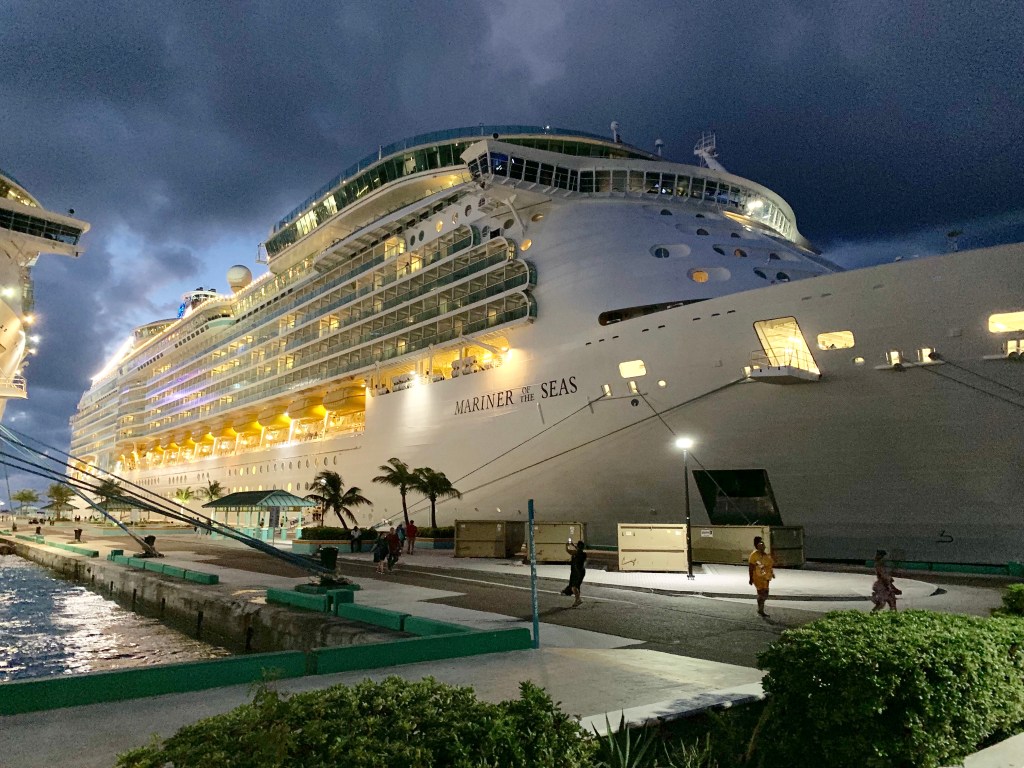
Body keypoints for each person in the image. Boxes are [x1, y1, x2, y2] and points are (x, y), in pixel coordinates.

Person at [748, 536, 775, 618]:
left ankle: (760, 609)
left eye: (763, 545)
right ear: (757, 546)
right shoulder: (754, 555)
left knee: (765, 594)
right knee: (761, 593)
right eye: (761, 545)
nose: (764, 546)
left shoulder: (765, 555)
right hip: (758, 578)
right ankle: (761, 610)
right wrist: (751, 578)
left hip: (766, 578)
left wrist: (772, 573)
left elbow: (769, 565)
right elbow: (751, 567)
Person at [563, 539, 587, 607]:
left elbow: (568, 550)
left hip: (576, 571)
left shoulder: (575, 553)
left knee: (574, 586)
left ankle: (578, 599)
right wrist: (573, 545)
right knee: (576, 586)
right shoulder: (584, 553)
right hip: (582, 571)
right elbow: (579, 550)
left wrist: (567, 545)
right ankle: (576, 599)